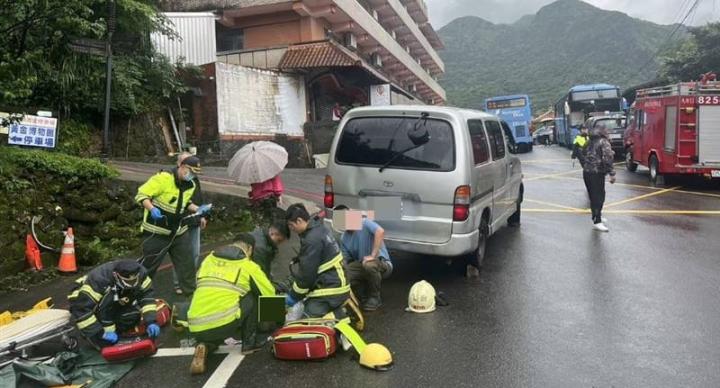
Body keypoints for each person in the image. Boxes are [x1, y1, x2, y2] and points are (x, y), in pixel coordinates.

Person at [188, 235, 276, 374]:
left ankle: (204, 344)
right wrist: (273, 323)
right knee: (252, 294)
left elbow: (197, 285)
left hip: (195, 325)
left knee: (215, 301)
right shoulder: (248, 265)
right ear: (250, 249)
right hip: (224, 322)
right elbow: (269, 293)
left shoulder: (208, 259)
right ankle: (249, 344)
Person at [135, 155, 209, 295]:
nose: (192, 176)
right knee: (148, 267)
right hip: (156, 231)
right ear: (182, 167)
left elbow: (185, 203)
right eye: (190, 171)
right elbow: (141, 194)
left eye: (195, 173)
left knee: (187, 265)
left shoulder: (190, 185)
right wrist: (151, 208)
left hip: (178, 232)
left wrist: (198, 209)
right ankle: (135, 296)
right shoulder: (163, 178)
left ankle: (190, 295)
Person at [67, 260, 160, 349]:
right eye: (128, 281)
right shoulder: (99, 280)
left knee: (131, 316)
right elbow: (81, 308)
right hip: (82, 297)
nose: (132, 284)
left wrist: (151, 321)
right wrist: (99, 333)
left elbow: (147, 297)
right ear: (116, 275)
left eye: (134, 280)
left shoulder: (141, 273)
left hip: (114, 290)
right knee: (103, 342)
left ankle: (111, 328)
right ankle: (91, 332)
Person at [285, 203, 350, 318]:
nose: (291, 229)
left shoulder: (311, 240)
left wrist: (293, 296)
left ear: (299, 220)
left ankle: (340, 315)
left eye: (291, 225)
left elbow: (307, 277)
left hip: (331, 290)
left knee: (305, 319)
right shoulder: (319, 229)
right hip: (337, 281)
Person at [334, 206, 393, 311]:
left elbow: (380, 231)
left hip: (381, 263)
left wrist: (373, 255)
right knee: (343, 273)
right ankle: (362, 295)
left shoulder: (364, 222)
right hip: (362, 264)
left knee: (369, 265)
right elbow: (345, 261)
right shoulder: (344, 238)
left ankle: (375, 297)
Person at [172, 152, 208, 296]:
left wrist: (202, 215)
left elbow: (198, 198)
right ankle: (178, 283)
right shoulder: (173, 178)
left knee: (195, 253)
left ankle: (190, 281)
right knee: (180, 255)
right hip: (181, 222)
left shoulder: (194, 178)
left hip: (195, 220)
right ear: (180, 164)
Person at [583, 123, 616, 232]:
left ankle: (596, 216)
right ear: (603, 131)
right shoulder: (604, 142)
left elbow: (583, 152)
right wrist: (612, 174)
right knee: (599, 196)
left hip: (587, 172)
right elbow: (608, 158)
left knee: (593, 196)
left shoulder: (589, 141)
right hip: (597, 173)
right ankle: (597, 221)